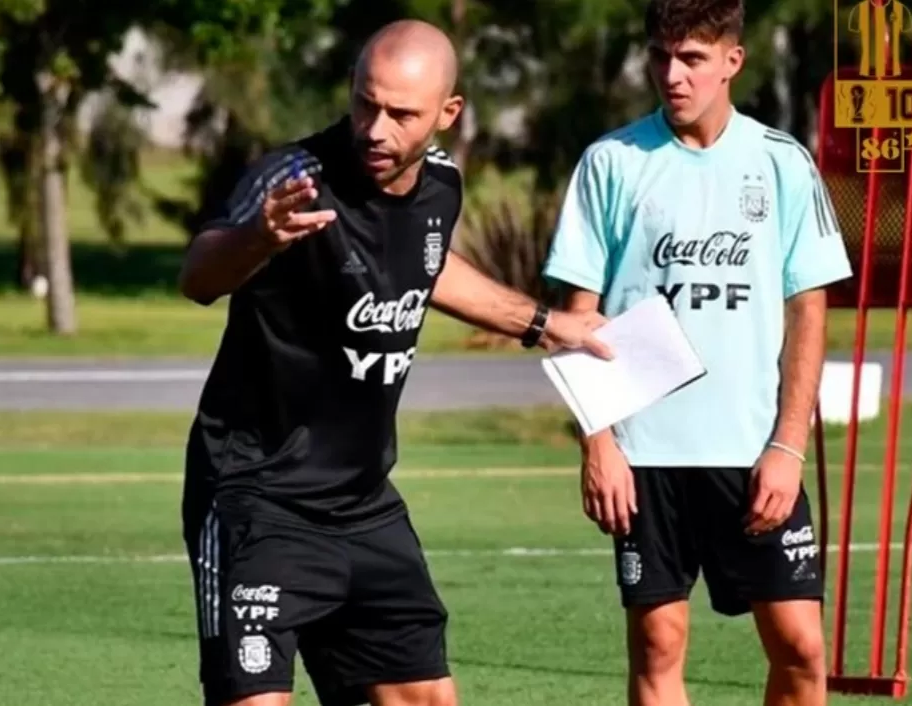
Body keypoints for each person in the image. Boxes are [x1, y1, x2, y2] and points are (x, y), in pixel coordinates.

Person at [176, 19, 611, 706]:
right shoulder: (293, 179)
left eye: (401, 114)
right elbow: (199, 277)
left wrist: (544, 323)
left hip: (363, 503)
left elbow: (427, 266)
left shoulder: (440, 187)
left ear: (448, 113)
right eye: (364, 104)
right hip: (257, 497)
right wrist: (259, 238)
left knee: (427, 698)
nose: (376, 128)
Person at [542, 1, 853, 705]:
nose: (671, 75)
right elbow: (575, 318)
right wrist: (598, 445)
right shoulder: (611, 162)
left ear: (731, 62)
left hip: (751, 453)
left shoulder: (780, 163)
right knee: (657, 648)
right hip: (643, 451)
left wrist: (788, 444)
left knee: (801, 650)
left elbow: (808, 309)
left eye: (691, 59)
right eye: (660, 56)